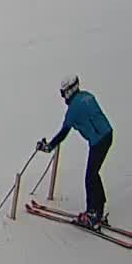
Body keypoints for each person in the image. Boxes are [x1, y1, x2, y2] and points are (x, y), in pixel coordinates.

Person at [38, 75, 113, 228]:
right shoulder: (87, 96)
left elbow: (63, 132)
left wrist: (49, 147)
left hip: (98, 141)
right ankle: (98, 209)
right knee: (93, 174)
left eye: (63, 93)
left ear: (69, 91)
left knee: (90, 176)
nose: (63, 97)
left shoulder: (74, 108)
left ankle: (93, 213)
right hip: (106, 135)